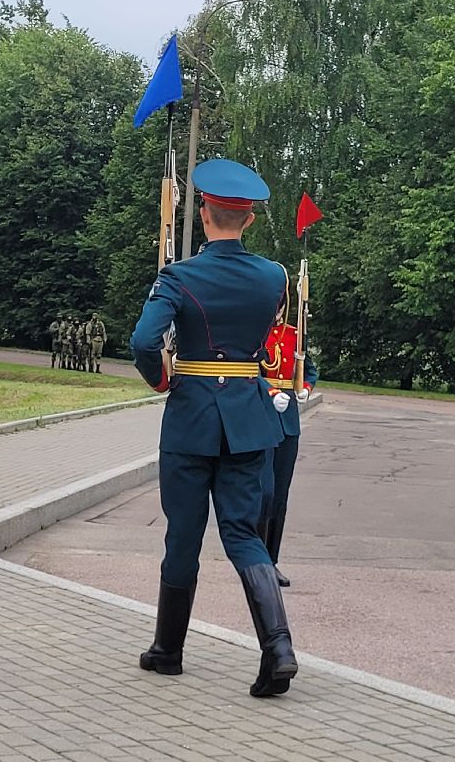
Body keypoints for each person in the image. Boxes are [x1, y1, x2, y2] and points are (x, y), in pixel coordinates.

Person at [130, 158, 298, 698]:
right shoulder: (275, 277)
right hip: (249, 422)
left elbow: (142, 344)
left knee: (184, 532)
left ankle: (168, 651)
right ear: (247, 220)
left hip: (192, 419)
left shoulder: (179, 277)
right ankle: (279, 649)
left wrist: (162, 381)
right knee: (244, 535)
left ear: (204, 213)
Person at [259, 306, 317, 587]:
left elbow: (309, 369)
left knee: (280, 496)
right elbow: (249, 372)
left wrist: (305, 386)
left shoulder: (295, 335)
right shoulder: (254, 333)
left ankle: (271, 561)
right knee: (264, 493)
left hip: (288, 422)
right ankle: (254, 559)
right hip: (261, 415)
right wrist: (269, 391)